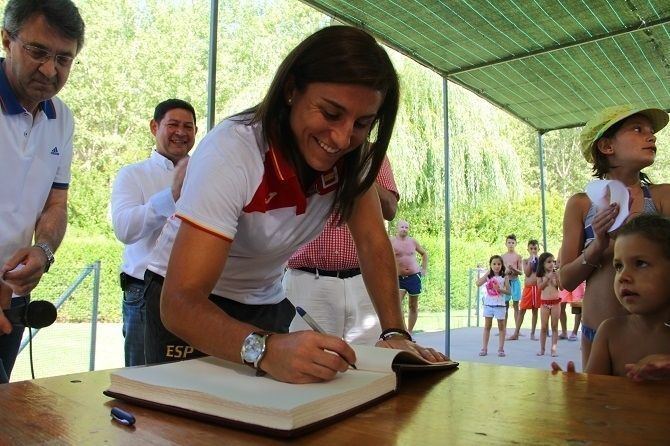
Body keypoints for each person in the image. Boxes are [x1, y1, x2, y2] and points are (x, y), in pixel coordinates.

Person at [142, 25, 447, 384]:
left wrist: (394, 333)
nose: (342, 138)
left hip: (265, 302)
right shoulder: (233, 150)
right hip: (190, 306)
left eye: (362, 123)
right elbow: (179, 303)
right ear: (291, 90)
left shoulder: (353, 157)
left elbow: (371, 241)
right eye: (330, 113)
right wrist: (267, 349)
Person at [0, 0, 85, 383]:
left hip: (13, 298)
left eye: (64, 59)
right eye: (38, 51)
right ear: (7, 40)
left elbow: (56, 202)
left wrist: (44, 251)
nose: (50, 70)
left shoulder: (61, 117)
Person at [559, 105, 670, 369]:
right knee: (598, 395)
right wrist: (598, 246)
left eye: (651, 131)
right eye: (637, 129)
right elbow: (565, 280)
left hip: (658, 336)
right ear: (607, 146)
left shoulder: (662, 197)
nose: (651, 136)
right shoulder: (580, 204)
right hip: (596, 331)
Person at [110, 99, 197, 366]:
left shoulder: (206, 173)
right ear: (154, 127)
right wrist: (171, 196)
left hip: (196, 292)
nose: (181, 132)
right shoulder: (132, 174)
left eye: (188, 126)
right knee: (142, 374)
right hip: (144, 292)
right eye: (173, 125)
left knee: (192, 374)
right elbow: (125, 229)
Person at [284, 156, 398, 345]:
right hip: (308, 281)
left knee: (373, 358)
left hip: (364, 283)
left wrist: (359, 174)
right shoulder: (302, 149)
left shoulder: (373, 154)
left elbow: (391, 209)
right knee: (309, 357)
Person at [553, 215, 670, 381]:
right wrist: (576, 388)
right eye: (618, 266)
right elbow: (593, 391)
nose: (623, 276)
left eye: (640, 263)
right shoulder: (610, 333)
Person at [391, 219, 428, 333]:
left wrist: (424, 269)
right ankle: (404, 330)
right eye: (402, 227)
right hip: (399, 279)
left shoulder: (413, 241)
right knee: (397, 306)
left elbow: (424, 253)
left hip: (414, 277)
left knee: (413, 306)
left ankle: (410, 332)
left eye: (406, 227)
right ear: (397, 228)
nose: (404, 229)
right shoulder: (391, 241)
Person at [476, 255, 510, 357]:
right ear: (490, 265)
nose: (496, 266)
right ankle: (484, 348)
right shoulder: (488, 276)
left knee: (501, 327)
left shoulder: (504, 277)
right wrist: (487, 273)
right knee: (487, 326)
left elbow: (509, 292)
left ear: (502, 265)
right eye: (494, 264)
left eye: (499, 264)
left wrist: (499, 289)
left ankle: (501, 349)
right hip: (489, 305)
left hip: (500, 305)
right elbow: (478, 283)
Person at [507, 239, 540, 341]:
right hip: (528, 288)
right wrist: (531, 261)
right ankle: (516, 333)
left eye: (535, 248)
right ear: (528, 249)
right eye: (531, 248)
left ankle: (532, 333)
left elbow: (540, 272)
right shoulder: (525, 261)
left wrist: (537, 261)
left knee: (535, 310)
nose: (533, 250)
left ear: (538, 249)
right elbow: (527, 273)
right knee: (522, 310)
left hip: (537, 288)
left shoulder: (541, 261)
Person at [536, 252, 561, 357]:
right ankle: (542, 349)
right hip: (544, 303)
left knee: (554, 326)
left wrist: (557, 279)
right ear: (543, 263)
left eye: (553, 261)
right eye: (549, 262)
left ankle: (553, 349)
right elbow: (540, 287)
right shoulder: (540, 275)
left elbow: (561, 287)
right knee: (543, 327)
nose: (552, 264)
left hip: (555, 303)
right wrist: (547, 278)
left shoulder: (556, 273)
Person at [501, 234, 522, 333]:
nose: (511, 244)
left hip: (515, 282)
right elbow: (500, 272)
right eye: (509, 242)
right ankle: (503, 329)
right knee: (505, 306)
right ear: (506, 244)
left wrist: (513, 269)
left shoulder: (518, 256)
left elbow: (521, 272)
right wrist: (505, 271)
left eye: (513, 243)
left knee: (516, 305)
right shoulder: (502, 257)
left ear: (516, 244)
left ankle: (517, 330)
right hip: (506, 283)